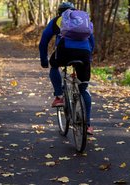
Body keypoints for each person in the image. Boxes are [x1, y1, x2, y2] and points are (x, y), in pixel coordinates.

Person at [39, 2, 95, 135]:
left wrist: (44, 61)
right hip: (84, 53)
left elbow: (43, 41)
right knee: (84, 88)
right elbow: (91, 41)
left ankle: (59, 96)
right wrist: (88, 57)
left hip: (65, 51)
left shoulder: (57, 20)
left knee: (54, 66)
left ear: (60, 12)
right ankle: (87, 125)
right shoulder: (83, 20)